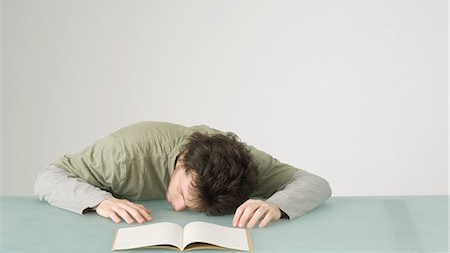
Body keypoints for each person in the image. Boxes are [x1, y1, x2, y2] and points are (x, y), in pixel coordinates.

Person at [35, 121, 331, 228]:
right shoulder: (123, 154)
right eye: (180, 193)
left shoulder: (247, 163)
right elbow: (48, 177)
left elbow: (316, 184)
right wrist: (99, 201)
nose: (176, 208)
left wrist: (275, 204)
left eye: (192, 207)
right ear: (182, 161)